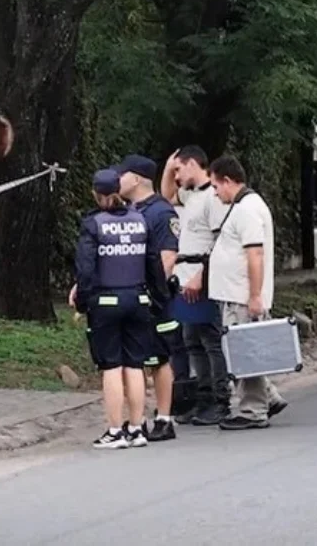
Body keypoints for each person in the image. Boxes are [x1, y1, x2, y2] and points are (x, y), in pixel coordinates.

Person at [73, 168, 171, 449]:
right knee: (135, 365)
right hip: (138, 300)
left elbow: (86, 268)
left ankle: (115, 431)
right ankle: (137, 428)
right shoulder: (140, 220)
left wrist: (82, 301)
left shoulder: (94, 223)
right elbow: (153, 263)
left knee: (112, 366)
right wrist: (159, 298)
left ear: (95, 193)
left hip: (106, 302)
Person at [206, 155, 288, 430]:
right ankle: (269, 397)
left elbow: (255, 254)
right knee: (243, 350)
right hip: (236, 294)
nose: (215, 193)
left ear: (227, 181)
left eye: (215, 186)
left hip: (241, 296)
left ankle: (253, 410)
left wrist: (254, 295)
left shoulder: (247, 210)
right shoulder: (243, 206)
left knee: (244, 352)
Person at [113, 154, 184, 442]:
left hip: (154, 300)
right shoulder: (126, 211)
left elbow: (168, 258)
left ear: (137, 179)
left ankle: (165, 418)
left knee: (159, 359)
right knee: (134, 360)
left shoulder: (161, 213)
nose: (118, 180)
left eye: (122, 175)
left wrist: (150, 290)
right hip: (132, 297)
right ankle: (137, 419)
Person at [160, 146, 233, 426]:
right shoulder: (190, 195)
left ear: (193, 164)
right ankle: (202, 397)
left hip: (201, 277)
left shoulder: (211, 198)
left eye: (179, 170)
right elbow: (166, 195)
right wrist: (168, 167)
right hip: (185, 275)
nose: (177, 177)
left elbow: (219, 242)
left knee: (210, 340)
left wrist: (202, 276)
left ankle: (219, 398)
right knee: (192, 341)